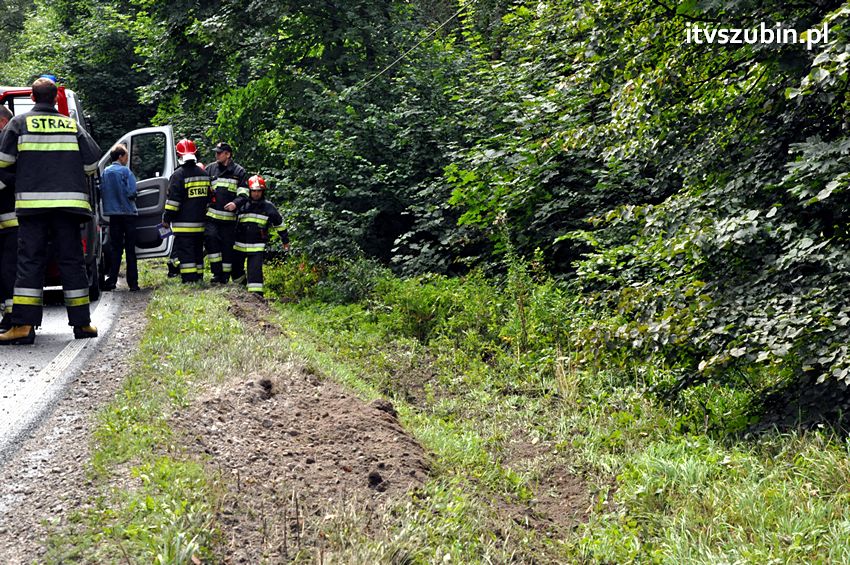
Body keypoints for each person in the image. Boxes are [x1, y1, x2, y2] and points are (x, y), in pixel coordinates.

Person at [0, 77, 101, 345]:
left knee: (30, 262)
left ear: (32, 98)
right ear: (56, 98)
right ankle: (83, 324)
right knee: (72, 261)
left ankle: (23, 326)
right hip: (69, 208)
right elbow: (92, 164)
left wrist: (20, 178)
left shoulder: (18, 124)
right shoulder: (71, 124)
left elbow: (2, 163)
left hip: (33, 209)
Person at [162, 139, 209, 283]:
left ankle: (189, 280)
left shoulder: (178, 175)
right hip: (200, 224)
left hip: (183, 225)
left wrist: (166, 218)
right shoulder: (204, 174)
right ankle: (199, 277)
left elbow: (173, 203)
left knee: (186, 253)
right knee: (197, 252)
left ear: (179, 154)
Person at [232, 175, 288, 297]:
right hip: (239, 245)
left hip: (257, 246)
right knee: (235, 270)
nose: (256, 194)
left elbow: (279, 225)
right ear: (249, 191)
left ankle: (256, 297)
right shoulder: (242, 205)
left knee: (255, 273)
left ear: (263, 192)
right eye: (254, 191)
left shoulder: (268, 207)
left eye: (259, 191)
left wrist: (285, 240)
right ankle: (240, 290)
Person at [205, 142, 248, 284]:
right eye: (216, 152)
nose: (216, 155)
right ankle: (216, 274)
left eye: (219, 152)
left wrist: (235, 203)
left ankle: (225, 276)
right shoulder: (210, 169)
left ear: (227, 154)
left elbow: (244, 194)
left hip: (229, 220)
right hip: (212, 217)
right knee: (211, 241)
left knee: (227, 248)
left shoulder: (239, 172)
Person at [101, 143, 139, 291]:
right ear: (120, 156)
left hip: (114, 216)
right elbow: (132, 192)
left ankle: (111, 282)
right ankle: (133, 284)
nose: (127, 159)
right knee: (130, 251)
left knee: (116, 249)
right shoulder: (125, 172)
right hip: (128, 215)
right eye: (126, 156)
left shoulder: (105, 172)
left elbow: (101, 191)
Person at [0, 105, 16, 330]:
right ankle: (9, 316)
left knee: (9, 271)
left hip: (13, 222)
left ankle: (14, 317)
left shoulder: (8, 143)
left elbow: (10, 177)